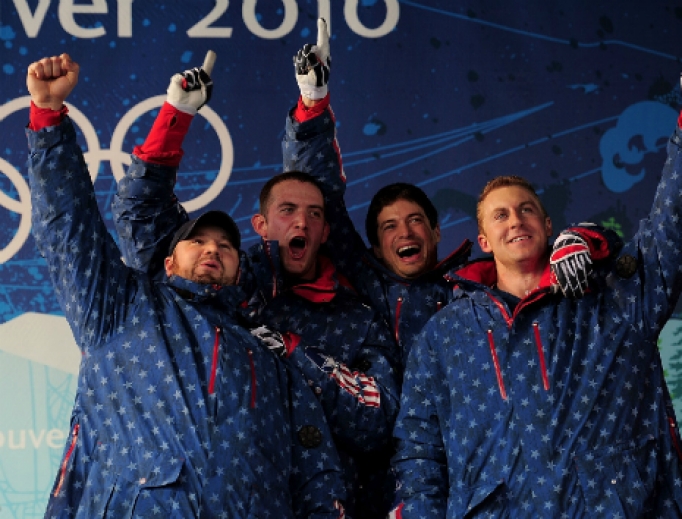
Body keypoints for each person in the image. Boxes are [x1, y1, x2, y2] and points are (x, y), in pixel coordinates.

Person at [25, 53, 347, 519]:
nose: (213, 249)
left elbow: (317, 473)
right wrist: (49, 117)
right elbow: (68, 228)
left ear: (241, 267)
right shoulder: (121, 307)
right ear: (169, 260)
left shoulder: (271, 357)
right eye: (197, 240)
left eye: (226, 245)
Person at [111, 45, 401, 519]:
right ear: (261, 226)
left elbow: (377, 421)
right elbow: (140, 218)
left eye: (313, 216)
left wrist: (291, 352)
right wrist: (177, 114)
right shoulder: (224, 282)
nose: (301, 224)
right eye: (286, 213)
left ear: (327, 231)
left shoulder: (358, 318)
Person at [389, 103, 682, 516]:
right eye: (501, 215)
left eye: (527, 210)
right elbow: (419, 451)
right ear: (484, 240)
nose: (515, 221)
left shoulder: (614, 299)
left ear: (548, 225)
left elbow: (670, 226)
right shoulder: (444, 334)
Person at [282, 19, 622, 368]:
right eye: (389, 227)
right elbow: (314, 195)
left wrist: (583, 240)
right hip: (377, 420)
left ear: (436, 232)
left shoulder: (475, 289)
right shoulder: (362, 284)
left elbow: (542, 271)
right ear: (377, 250)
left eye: (415, 220)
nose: (405, 232)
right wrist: (313, 104)